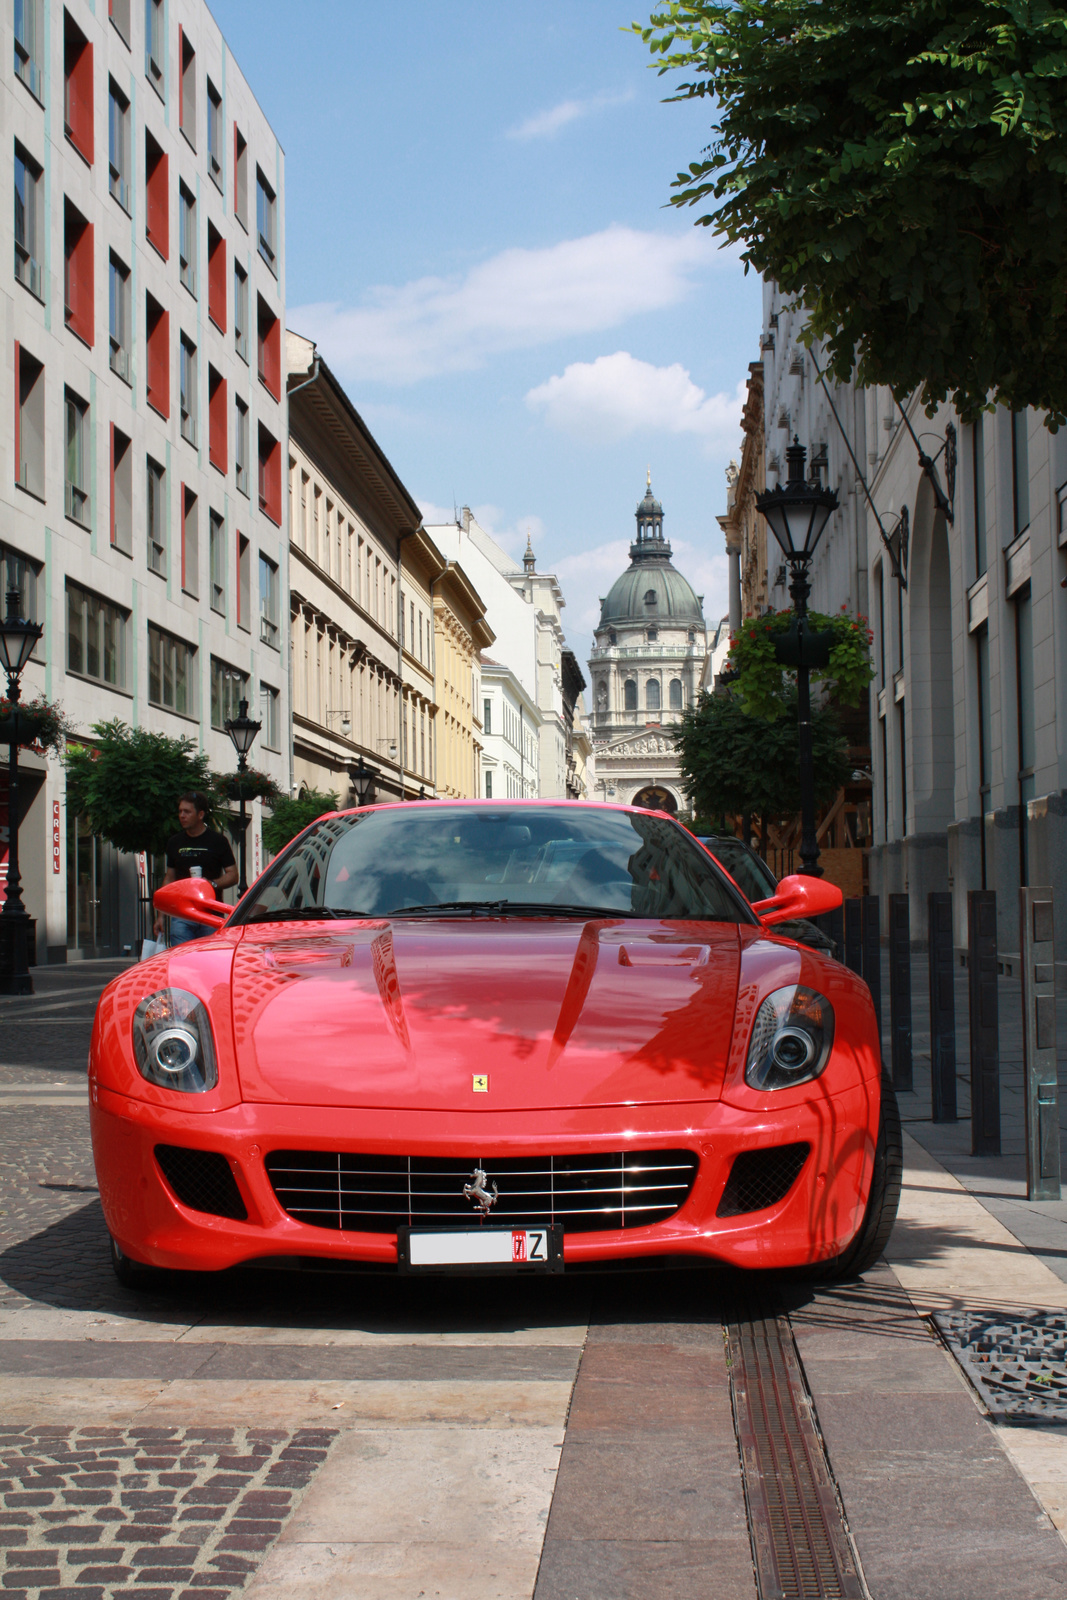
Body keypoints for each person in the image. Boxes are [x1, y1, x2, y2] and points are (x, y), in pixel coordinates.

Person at [154, 792, 238, 946]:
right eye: (180, 811)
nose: (182, 815)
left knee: (209, 958)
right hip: (182, 913)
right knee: (182, 959)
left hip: (211, 914)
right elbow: (170, 878)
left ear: (200, 814)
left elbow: (233, 875)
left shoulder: (218, 841)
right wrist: (161, 916)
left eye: (187, 811)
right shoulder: (175, 842)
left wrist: (211, 884)